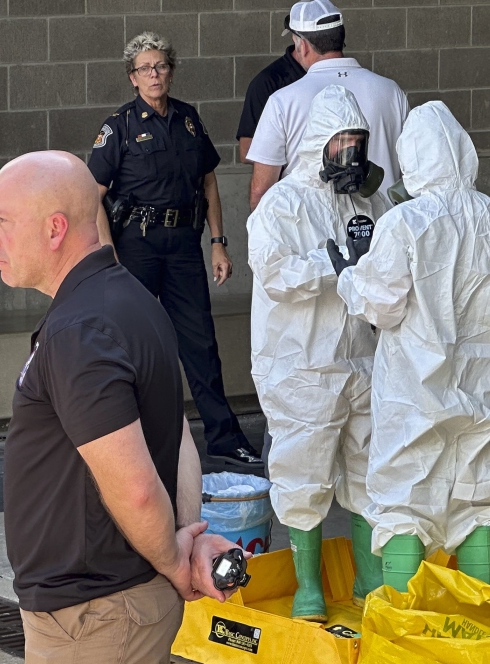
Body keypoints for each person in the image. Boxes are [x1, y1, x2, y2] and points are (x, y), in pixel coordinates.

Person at [0, 150, 241, 664]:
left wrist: (174, 559)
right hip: (117, 608)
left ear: (55, 228)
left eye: (1, 220)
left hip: (93, 620)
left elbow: (132, 482)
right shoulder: (127, 298)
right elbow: (174, 430)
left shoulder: (82, 327)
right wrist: (185, 535)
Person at [335, 101, 490, 591]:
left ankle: (408, 634)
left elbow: (382, 307)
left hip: (414, 391)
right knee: (474, 495)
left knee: (404, 500)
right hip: (481, 388)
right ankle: (480, 618)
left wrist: (350, 276)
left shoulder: (404, 223)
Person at [247, 85, 391, 621]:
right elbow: (276, 274)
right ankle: (308, 585)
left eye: (359, 139)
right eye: (342, 140)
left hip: (363, 359)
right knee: (303, 473)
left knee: (368, 470)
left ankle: (369, 580)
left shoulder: (368, 201)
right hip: (302, 363)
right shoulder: (282, 204)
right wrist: (332, 264)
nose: (351, 151)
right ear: (319, 143)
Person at [89, 32, 262, 471]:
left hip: (184, 244)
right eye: (145, 68)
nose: (155, 74)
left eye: (161, 66)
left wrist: (218, 244)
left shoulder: (188, 119)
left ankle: (224, 437)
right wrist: (107, 256)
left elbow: (209, 183)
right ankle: (139, 440)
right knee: (139, 345)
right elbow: (92, 196)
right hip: (137, 247)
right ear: (132, 78)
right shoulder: (120, 126)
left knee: (200, 342)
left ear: (170, 71)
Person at [246, 0, 408, 210]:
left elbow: (261, 190)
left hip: (312, 235)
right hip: (384, 231)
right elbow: (412, 170)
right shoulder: (391, 91)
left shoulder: (283, 100)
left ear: (301, 45)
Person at [235, 24, 305, 162]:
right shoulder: (268, 81)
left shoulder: (337, 75)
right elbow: (247, 150)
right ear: (297, 39)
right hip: (287, 180)